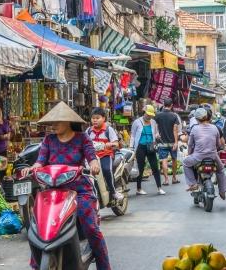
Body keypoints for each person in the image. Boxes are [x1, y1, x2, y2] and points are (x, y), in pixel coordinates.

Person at [20, 102, 109, 270]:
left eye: (56, 122)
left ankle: (104, 266)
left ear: (68, 122)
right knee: (38, 227)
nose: (52, 126)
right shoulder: (49, 139)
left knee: (91, 227)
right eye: (51, 123)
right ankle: (35, 264)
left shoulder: (82, 138)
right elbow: (40, 161)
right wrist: (32, 169)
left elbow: (91, 156)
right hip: (52, 191)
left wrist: (94, 164)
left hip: (79, 190)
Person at [182, 108, 226, 199]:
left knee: (185, 163)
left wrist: (189, 154)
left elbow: (190, 144)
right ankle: (222, 190)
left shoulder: (194, 129)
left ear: (196, 119)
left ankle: (193, 184)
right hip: (213, 156)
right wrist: (219, 148)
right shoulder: (215, 127)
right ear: (207, 117)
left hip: (198, 157)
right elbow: (218, 144)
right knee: (221, 169)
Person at [86, 108, 124, 201]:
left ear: (103, 118)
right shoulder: (88, 131)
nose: (94, 120)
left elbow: (116, 143)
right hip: (92, 157)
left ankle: (113, 191)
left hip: (106, 155)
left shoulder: (108, 129)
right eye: (93, 118)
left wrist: (109, 144)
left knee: (106, 169)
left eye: (97, 118)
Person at [129, 105, 165, 195]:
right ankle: (138, 188)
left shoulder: (153, 122)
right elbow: (133, 135)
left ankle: (159, 187)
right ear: (144, 112)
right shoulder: (136, 122)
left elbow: (156, 132)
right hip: (140, 147)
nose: (149, 117)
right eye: (148, 114)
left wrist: (157, 136)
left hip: (151, 146)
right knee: (140, 168)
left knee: (155, 167)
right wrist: (131, 147)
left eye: (151, 115)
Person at [154, 98, 181, 186]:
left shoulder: (158, 115)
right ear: (171, 105)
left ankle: (166, 180)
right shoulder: (174, 116)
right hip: (172, 142)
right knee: (174, 160)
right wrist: (176, 142)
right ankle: (174, 177)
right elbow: (175, 130)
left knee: (164, 160)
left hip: (162, 142)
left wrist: (157, 133)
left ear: (163, 104)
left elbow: (155, 126)